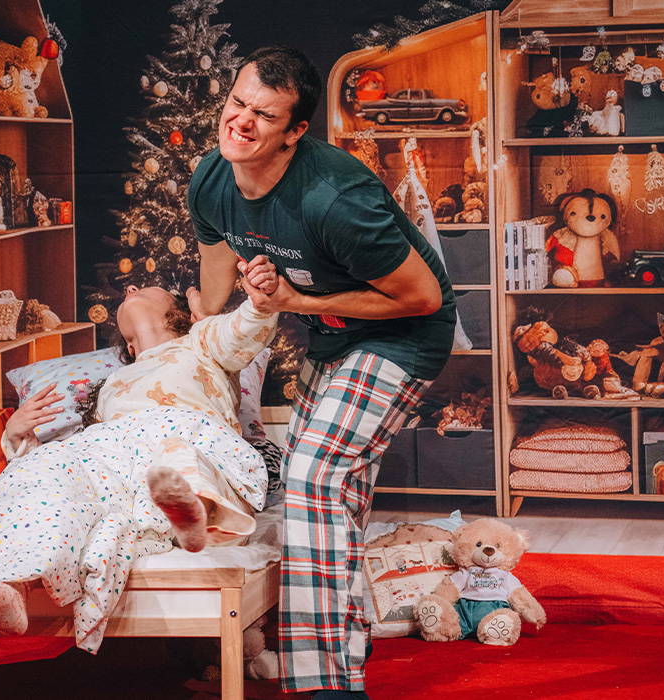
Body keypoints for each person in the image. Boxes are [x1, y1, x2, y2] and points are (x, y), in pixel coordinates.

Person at [0, 273, 278, 700]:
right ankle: (11, 588)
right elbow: (82, 477)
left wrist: (254, 301)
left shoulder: (200, 341)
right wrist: (20, 437)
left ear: (178, 314)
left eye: (145, 287)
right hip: (113, 451)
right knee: (41, 477)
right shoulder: (112, 386)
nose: (131, 287)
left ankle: (196, 514)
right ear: (127, 345)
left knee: (176, 458)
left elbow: (243, 330)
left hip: (182, 436)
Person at [187, 46, 456, 698]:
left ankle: (327, 684)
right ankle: (349, 633)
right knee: (331, 491)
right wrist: (195, 336)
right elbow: (214, 285)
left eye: (264, 115)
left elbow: (423, 297)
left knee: (315, 474)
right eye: (237, 103)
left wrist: (295, 301)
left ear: (295, 130)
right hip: (334, 339)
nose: (241, 122)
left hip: (404, 336)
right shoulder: (213, 179)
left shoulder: (335, 197)